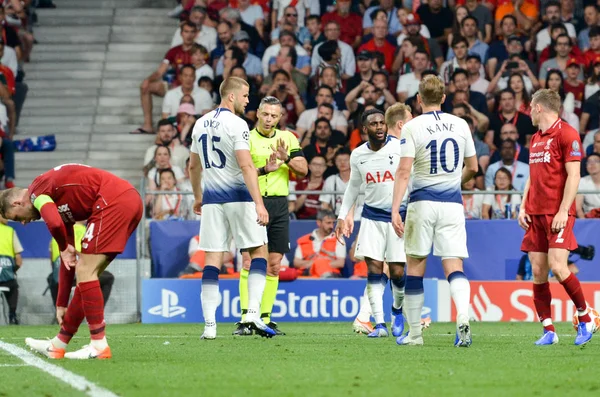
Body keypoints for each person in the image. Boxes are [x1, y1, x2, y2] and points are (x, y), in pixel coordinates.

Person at [0, 164, 143, 359]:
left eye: (18, 218)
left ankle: (99, 345)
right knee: (87, 274)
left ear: (17, 203)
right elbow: (69, 261)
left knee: (86, 271)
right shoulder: (58, 204)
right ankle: (58, 345)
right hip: (126, 200)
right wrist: (61, 303)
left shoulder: (36, 192)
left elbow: (56, 225)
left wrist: (64, 247)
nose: (24, 223)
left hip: (113, 201)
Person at [391, 75, 478, 347]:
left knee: (415, 266)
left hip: (422, 203)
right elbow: (474, 167)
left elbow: (404, 171)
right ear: (443, 97)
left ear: (418, 100)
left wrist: (395, 209)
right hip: (452, 204)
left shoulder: (412, 127)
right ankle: (463, 315)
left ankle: (415, 335)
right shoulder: (461, 124)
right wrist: (454, 182)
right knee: (454, 265)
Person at [188, 77, 275, 339]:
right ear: (232, 97)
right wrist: (259, 203)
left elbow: (193, 166)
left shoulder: (199, 123)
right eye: (246, 96)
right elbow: (247, 166)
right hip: (239, 197)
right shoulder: (238, 124)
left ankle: (210, 327)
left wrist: (197, 196)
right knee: (259, 252)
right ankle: (251, 314)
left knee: (212, 260)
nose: (249, 100)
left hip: (212, 201)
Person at [518, 89, 597, 346]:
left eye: (531, 106)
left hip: (557, 212)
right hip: (535, 213)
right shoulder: (536, 139)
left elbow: (574, 175)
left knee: (558, 266)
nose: (529, 110)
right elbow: (532, 174)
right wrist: (522, 206)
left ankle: (586, 319)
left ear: (540, 108)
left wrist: (564, 210)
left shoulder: (567, 134)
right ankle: (549, 331)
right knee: (538, 272)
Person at [234, 96, 307, 336]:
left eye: (274, 116)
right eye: (265, 114)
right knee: (249, 261)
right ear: (257, 113)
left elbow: (303, 169)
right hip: (252, 203)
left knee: (274, 265)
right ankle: (246, 318)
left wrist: (286, 159)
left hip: (278, 204)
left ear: (280, 117)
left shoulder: (288, 138)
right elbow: (240, 174)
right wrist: (266, 169)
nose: (269, 119)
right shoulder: (246, 138)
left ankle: (264, 317)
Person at [334, 108, 408, 339]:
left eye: (382, 123)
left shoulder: (399, 148)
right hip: (371, 217)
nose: (379, 127)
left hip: (398, 217)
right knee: (374, 269)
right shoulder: (358, 155)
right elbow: (353, 187)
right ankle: (379, 323)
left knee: (396, 271)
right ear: (364, 130)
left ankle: (397, 310)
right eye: (374, 124)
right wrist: (342, 215)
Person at [48, 223, 115, 310]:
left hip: (61, 277)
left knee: (51, 278)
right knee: (108, 277)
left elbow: (52, 262)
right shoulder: (87, 232)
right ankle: (97, 310)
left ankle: (59, 311)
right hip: (80, 275)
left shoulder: (55, 236)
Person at [0, 213, 23, 325]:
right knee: (13, 286)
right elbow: (19, 261)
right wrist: (11, 271)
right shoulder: (10, 231)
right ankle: (12, 315)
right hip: (7, 279)